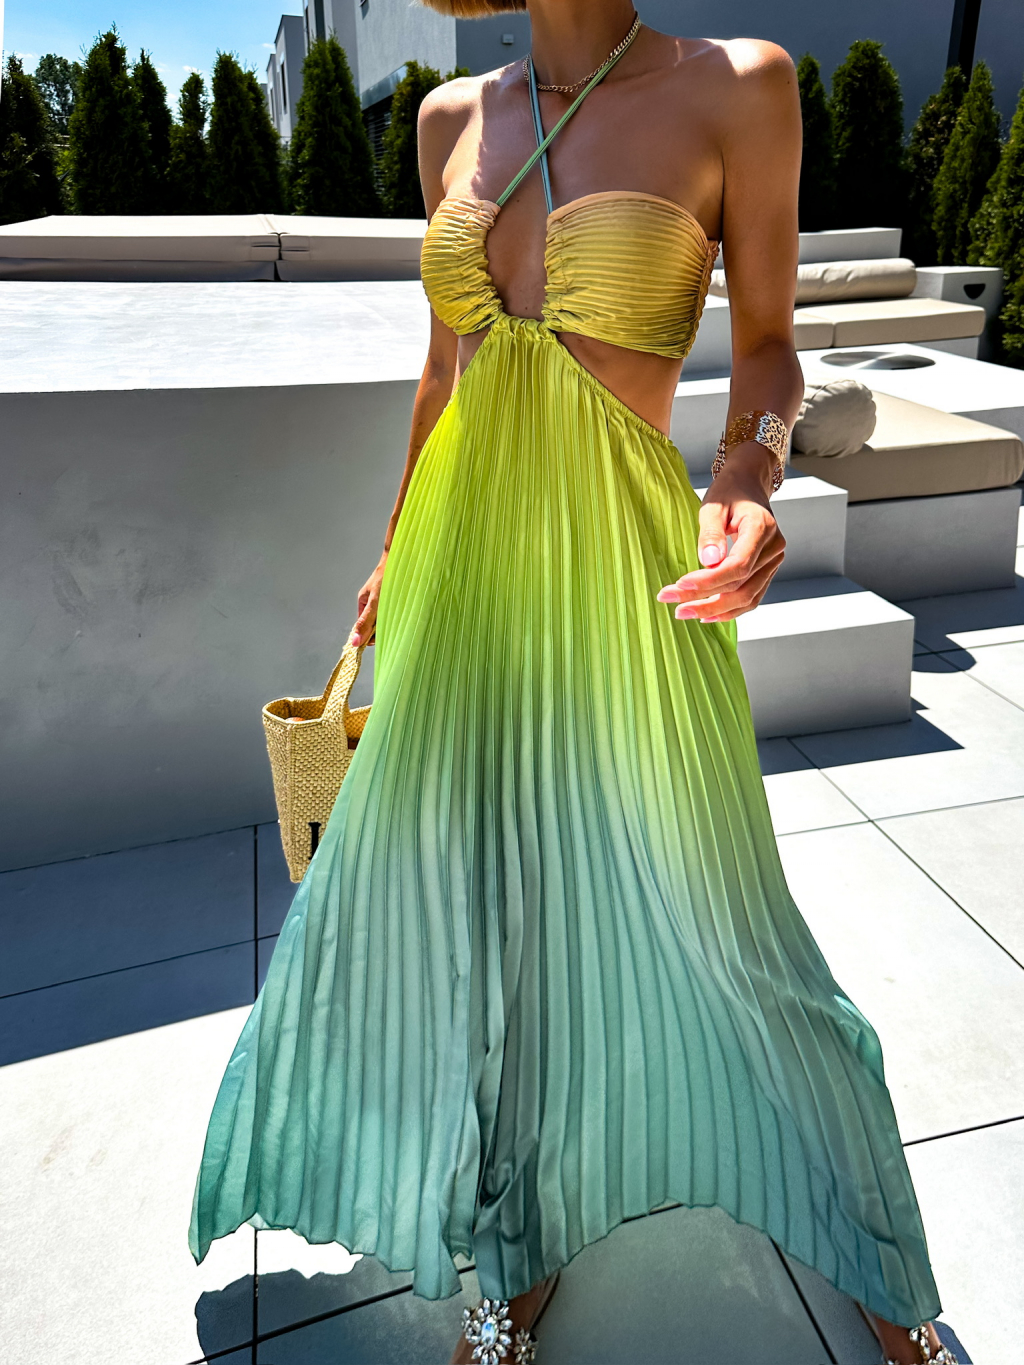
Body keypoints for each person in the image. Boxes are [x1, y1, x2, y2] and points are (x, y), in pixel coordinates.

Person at [189, 4, 956, 1363]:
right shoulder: (448, 117)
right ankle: (517, 1238)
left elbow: (769, 349)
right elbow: (446, 372)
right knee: (487, 912)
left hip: (627, 568)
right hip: (461, 570)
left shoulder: (741, 87)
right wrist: (392, 553)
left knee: (721, 907)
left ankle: (872, 1249)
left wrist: (748, 474)